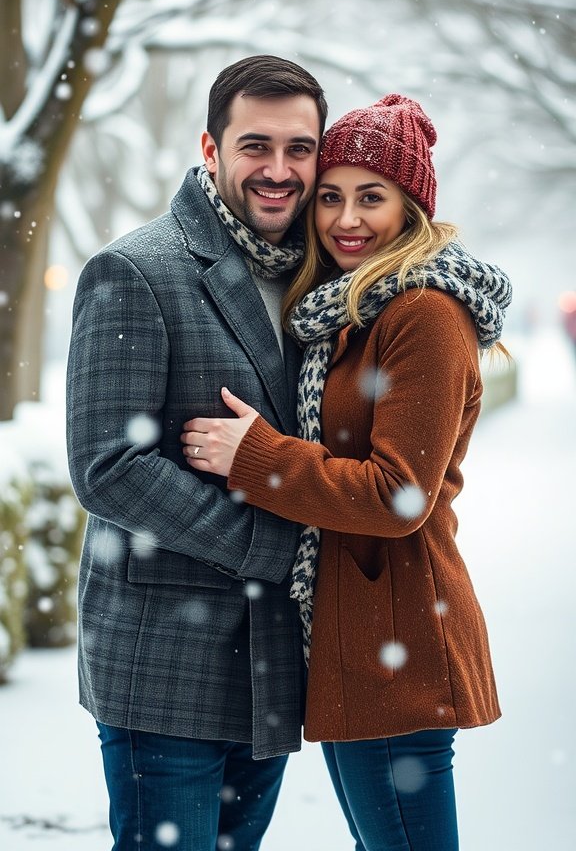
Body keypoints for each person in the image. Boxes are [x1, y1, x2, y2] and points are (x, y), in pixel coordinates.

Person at [181, 94, 513, 851]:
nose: (345, 219)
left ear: (412, 208)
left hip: (396, 643)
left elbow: (397, 495)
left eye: (372, 197)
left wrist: (257, 457)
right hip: (363, 642)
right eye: (330, 196)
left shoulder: (422, 312)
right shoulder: (349, 310)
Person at [66, 54, 328, 851]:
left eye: (299, 148)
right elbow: (107, 465)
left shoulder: (323, 280)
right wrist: (273, 546)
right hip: (165, 666)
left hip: (272, 668)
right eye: (255, 146)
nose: (279, 171)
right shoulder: (136, 269)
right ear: (210, 149)